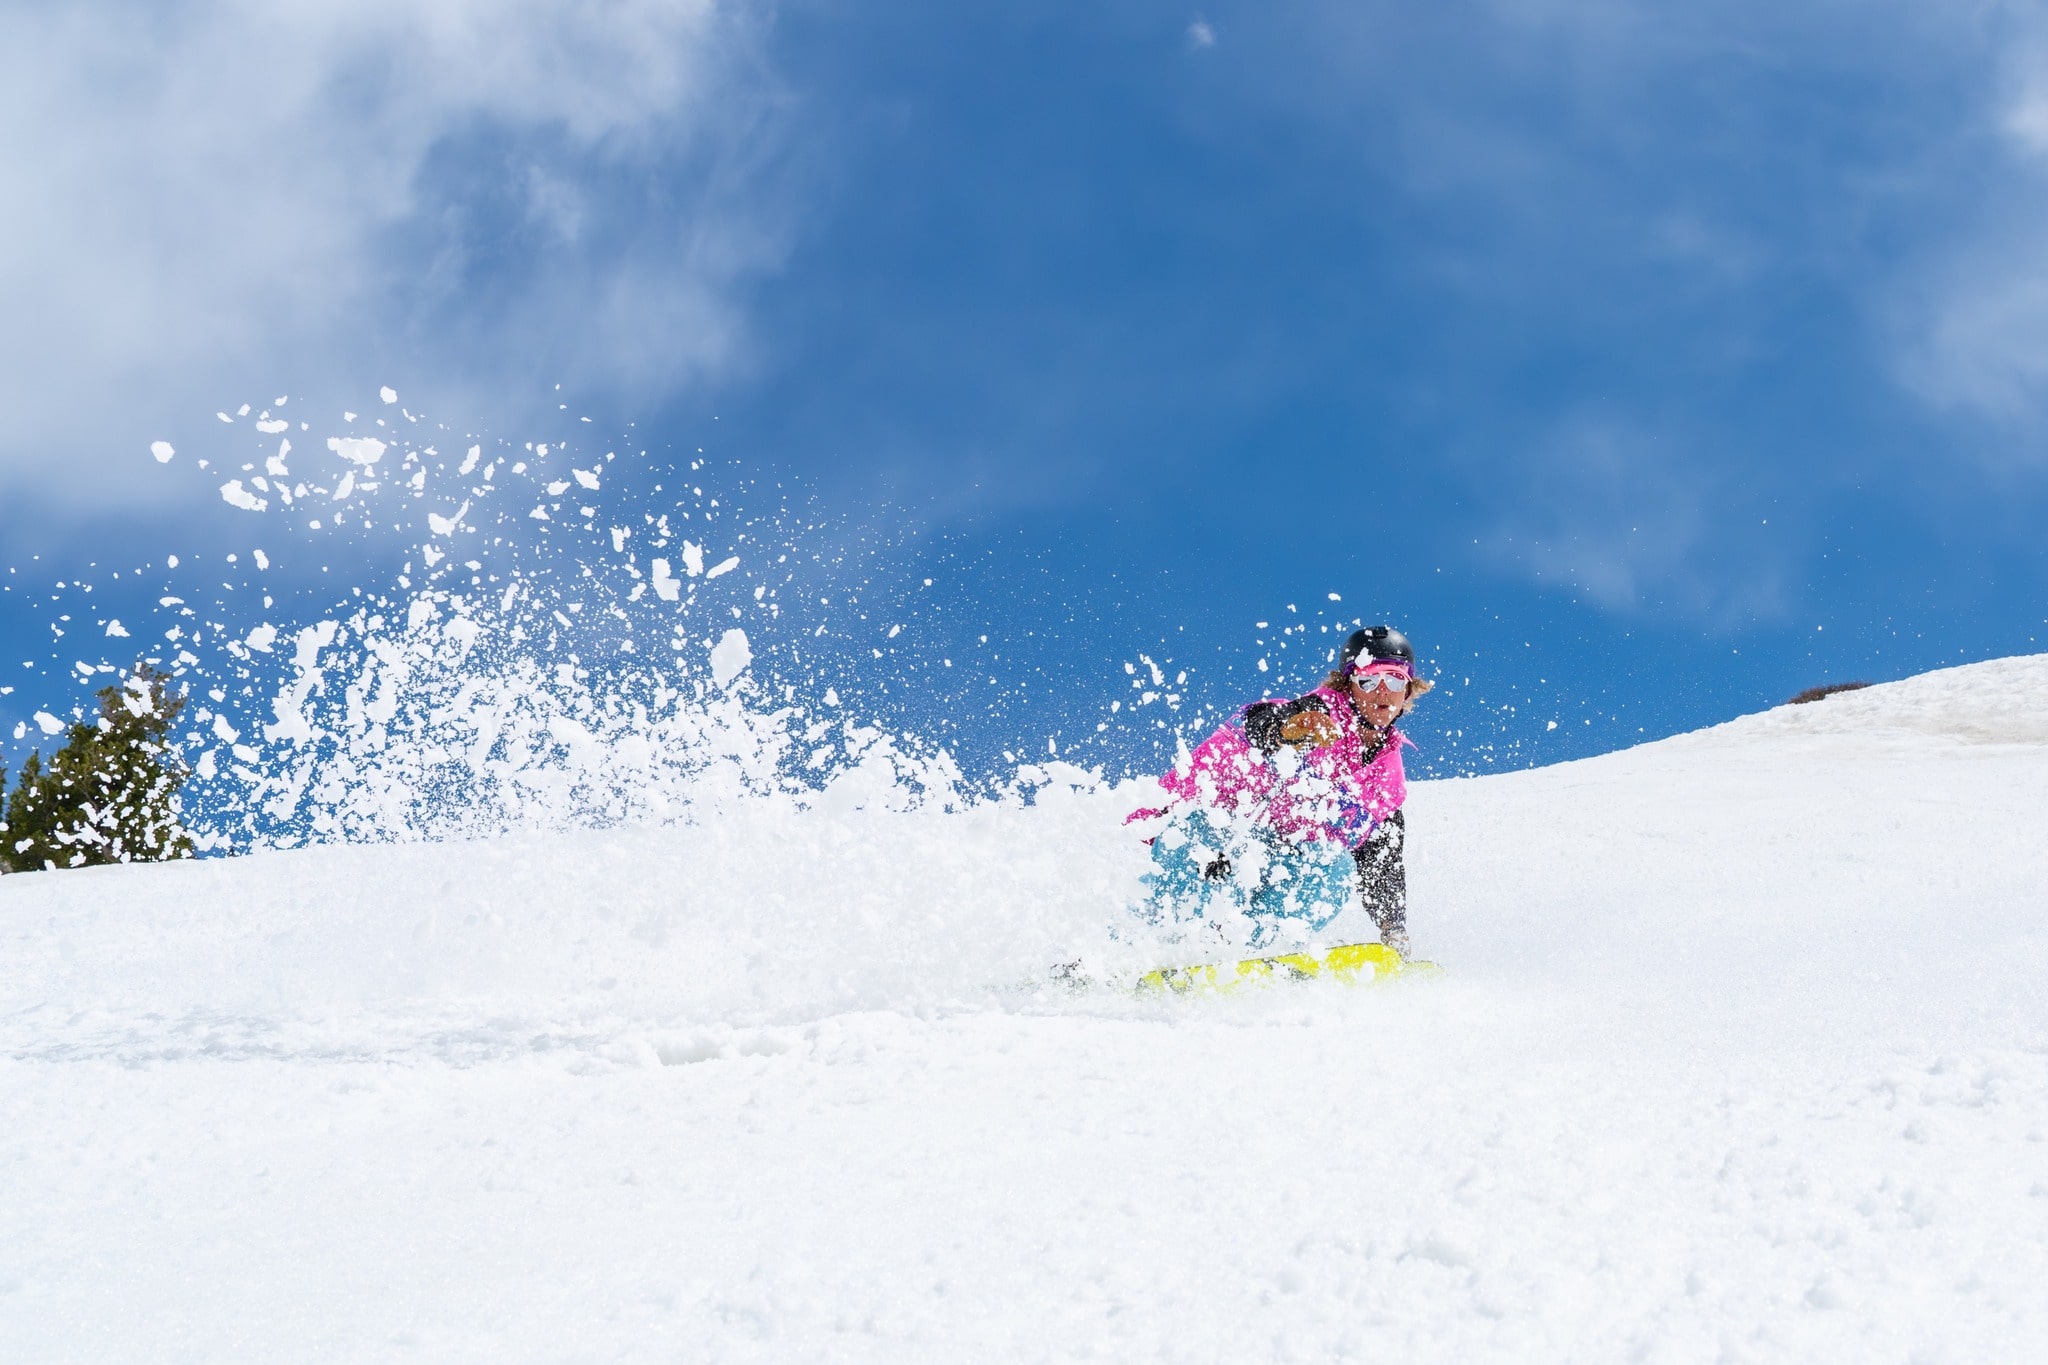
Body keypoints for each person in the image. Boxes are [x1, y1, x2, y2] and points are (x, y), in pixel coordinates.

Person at [1127, 625, 1433, 955]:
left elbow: (1381, 859)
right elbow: (1260, 722)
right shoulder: (1316, 715)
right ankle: (1161, 943)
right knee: (1208, 830)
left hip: (1279, 863)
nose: (1381, 691)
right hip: (1210, 844)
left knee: (1335, 866)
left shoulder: (1386, 783)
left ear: (1409, 690)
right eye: (1369, 680)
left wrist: (1393, 926)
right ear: (1348, 685)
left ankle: (1254, 950)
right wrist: (1287, 730)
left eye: (1395, 679)